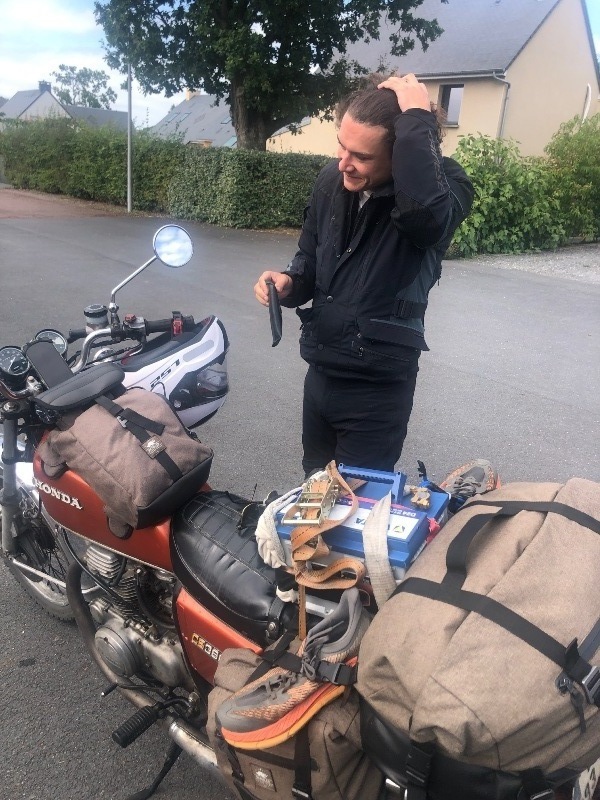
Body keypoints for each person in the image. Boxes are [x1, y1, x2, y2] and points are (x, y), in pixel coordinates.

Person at [254, 73, 474, 477]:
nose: (344, 163)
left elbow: (425, 220)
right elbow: (310, 257)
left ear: (400, 153)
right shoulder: (331, 180)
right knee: (314, 490)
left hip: (376, 391)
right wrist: (290, 283)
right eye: (341, 145)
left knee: (354, 504)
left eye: (362, 156)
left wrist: (417, 118)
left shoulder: (445, 190)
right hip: (321, 372)